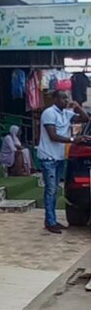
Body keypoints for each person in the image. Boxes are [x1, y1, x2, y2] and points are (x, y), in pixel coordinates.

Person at [38, 91, 90, 234]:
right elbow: (53, 135)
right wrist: (74, 140)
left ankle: (51, 220)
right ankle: (50, 222)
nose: (66, 100)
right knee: (51, 190)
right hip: (48, 157)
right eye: (63, 98)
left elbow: (85, 119)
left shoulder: (66, 114)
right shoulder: (49, 113)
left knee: (54, 190)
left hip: (59, 157)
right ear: (55, 99)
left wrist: (78, 107)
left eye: (67, 97)